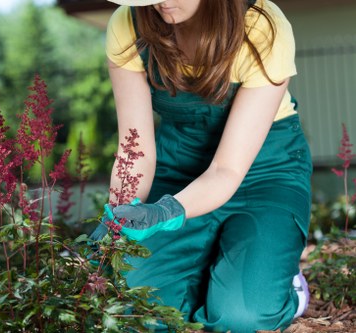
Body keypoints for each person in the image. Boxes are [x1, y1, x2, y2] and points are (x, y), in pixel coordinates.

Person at [91, 0, 312, 332]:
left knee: (242, 318)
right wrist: (121, 215)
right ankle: (214, 265)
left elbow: (226, 169)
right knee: (140, 311)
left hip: (264, 173)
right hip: (177, 167)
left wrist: (163, 213)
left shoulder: (261, 27)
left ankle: (285, 286)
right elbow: (134, 149)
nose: (160, 2)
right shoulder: (128, 24)